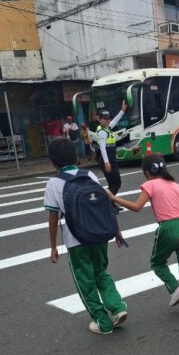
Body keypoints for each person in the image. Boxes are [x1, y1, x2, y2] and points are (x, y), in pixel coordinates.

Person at [44, 138, 128, 335]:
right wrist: (117, 231)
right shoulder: (89, 174)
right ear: (76, 157)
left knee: (85, 281)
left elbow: (53, 217)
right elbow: (104, 205)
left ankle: (102, 322)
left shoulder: (54, 183)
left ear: (53, 162)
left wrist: (53, 246)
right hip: (99, 234)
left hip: (76, 240)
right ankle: (117, 307)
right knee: (102, 273)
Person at [109, 154, 179, 317]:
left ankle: (174, 288)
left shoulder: (149, 184)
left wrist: (113, 198)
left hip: (167, 228)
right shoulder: (174, 184)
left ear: (146, 172)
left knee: (157, 263)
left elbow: (137, 207)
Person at [96, 102, 128, 195]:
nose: (107, 121)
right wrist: (107, 163)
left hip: (111, 158)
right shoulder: (102, 131)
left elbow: (115, 121)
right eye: (105, 119)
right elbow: (102, 148)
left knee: (115, 183)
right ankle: (110, 202)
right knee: (115, 183)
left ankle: (111, 203)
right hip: (107, 159)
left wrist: (122, 111)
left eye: (108, 118)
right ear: (99, 119)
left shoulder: (107, 128)